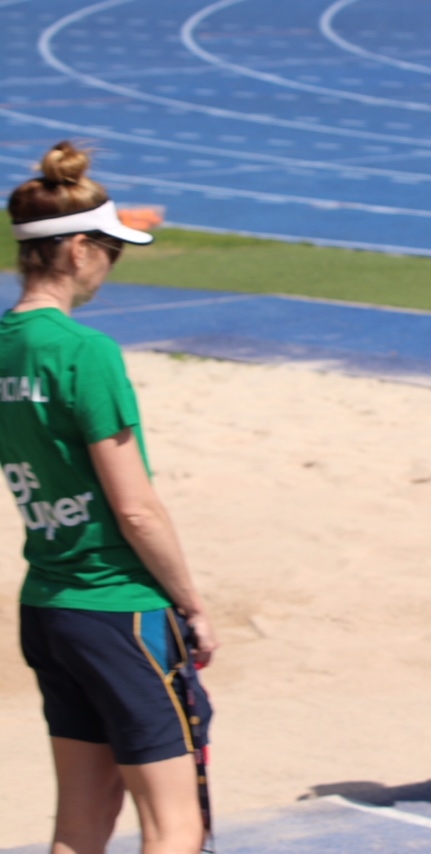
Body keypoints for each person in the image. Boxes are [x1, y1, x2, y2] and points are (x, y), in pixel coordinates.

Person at [1, 141, 217, 854]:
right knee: (174, 825)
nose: (110, 270)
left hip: (49, 608)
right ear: (77, 253)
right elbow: (135, 507)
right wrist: (189, 603)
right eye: (110, 252)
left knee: (81, 825)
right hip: (118, 605)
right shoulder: (85, 353)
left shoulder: (7, 347)